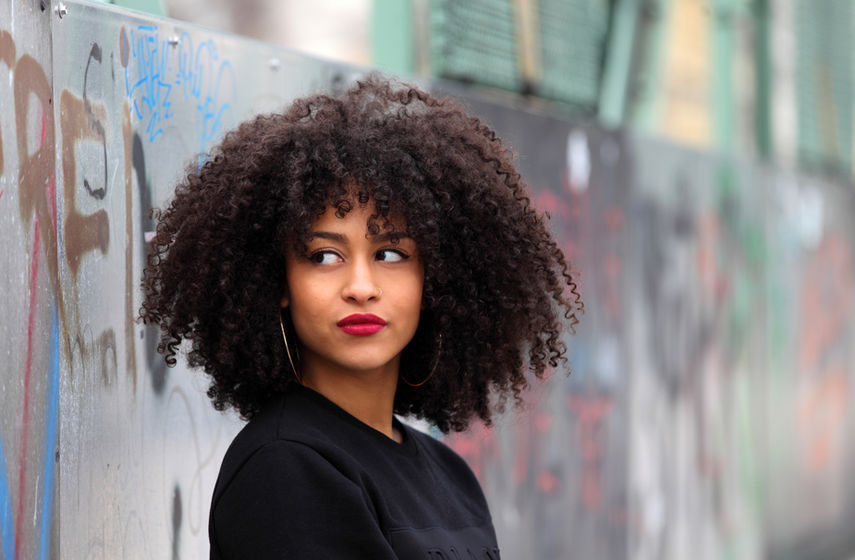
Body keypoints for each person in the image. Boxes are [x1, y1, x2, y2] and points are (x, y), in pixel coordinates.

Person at [140, 76, 581, 559]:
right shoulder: (285, 467)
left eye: (390, 253)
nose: (361, 288)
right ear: (278, 282)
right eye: (325, 256)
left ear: (434, 279)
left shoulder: (450, 475)